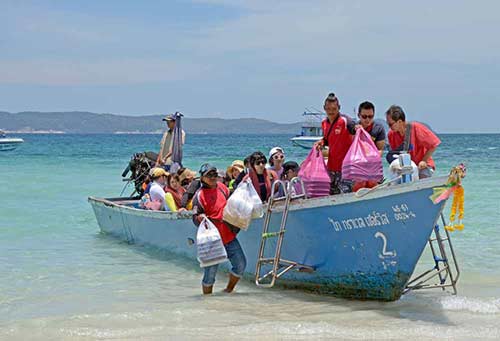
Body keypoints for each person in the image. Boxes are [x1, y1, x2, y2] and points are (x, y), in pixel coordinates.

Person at [192, 163, 246, 294]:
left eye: (214, 174)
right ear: (202, 178)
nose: (212, 177)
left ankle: (228, 291)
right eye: (208, 175)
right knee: (210, 274)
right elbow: (194, 217)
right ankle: (207, 301)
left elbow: (232, 202)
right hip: (213, 240)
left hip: (229, 237)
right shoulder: (199, 196)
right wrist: (199, 218)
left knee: (240, 265)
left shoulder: (222, 188)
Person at [314, 92, 355, 194]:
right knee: (331, 197)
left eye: (334, 109)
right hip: (331, 168)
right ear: (324, 108)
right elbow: (327, 140)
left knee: (345, 197)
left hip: (346, 169)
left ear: (339, 107)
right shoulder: (324, 123)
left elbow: (357, 132)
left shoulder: (346, 121)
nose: (331, 112)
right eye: (328, 109)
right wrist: (321, 142)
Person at [385, 105, 441, 179]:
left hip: (423, 167)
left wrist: (424, 161)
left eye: (390, 124)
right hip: (407, 168)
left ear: (399, 122)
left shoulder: (416, 128)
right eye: (387, 124)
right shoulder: (391, 135)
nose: (389, 127)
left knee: (420, 183)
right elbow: (395, 155)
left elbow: (434, 144)